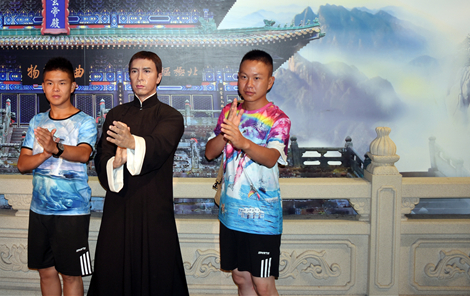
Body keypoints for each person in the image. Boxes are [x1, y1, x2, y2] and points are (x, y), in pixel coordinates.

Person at [88, 51, 189, 296]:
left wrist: (132, 143)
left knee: (157, 273)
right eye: (134, 71)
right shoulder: (116, 115)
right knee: (113, 270)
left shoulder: (171, 116)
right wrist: (114, 163)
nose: (139, 77)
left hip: (155, 207)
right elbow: (102, 155)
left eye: (147, 71)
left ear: (159, 77)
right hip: (119, 207)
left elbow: (159, 146)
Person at [205, 50, 290, 296]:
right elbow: (210, 153)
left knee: (263, 284)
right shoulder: (229, 112)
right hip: (231, 213)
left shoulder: (278, 118)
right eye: (243, 77)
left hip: (262, 218)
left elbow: (271, 158)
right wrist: (227, 132)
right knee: (241, 278)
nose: (249, 84)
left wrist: (242, 141)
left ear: (270, 82)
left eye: (257, 78)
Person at [17, 57, 97, 296]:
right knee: (46, 272)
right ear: (43, 87)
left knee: (72, 274)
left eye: (62, 83)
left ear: (73, 86)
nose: (55, 88)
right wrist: (45, 153)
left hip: (73, 212)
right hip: (40, 210)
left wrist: (57, 148)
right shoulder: (37, 121)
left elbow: (84, 154)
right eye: (50, 83)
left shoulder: (85, 122)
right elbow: (22, 164)